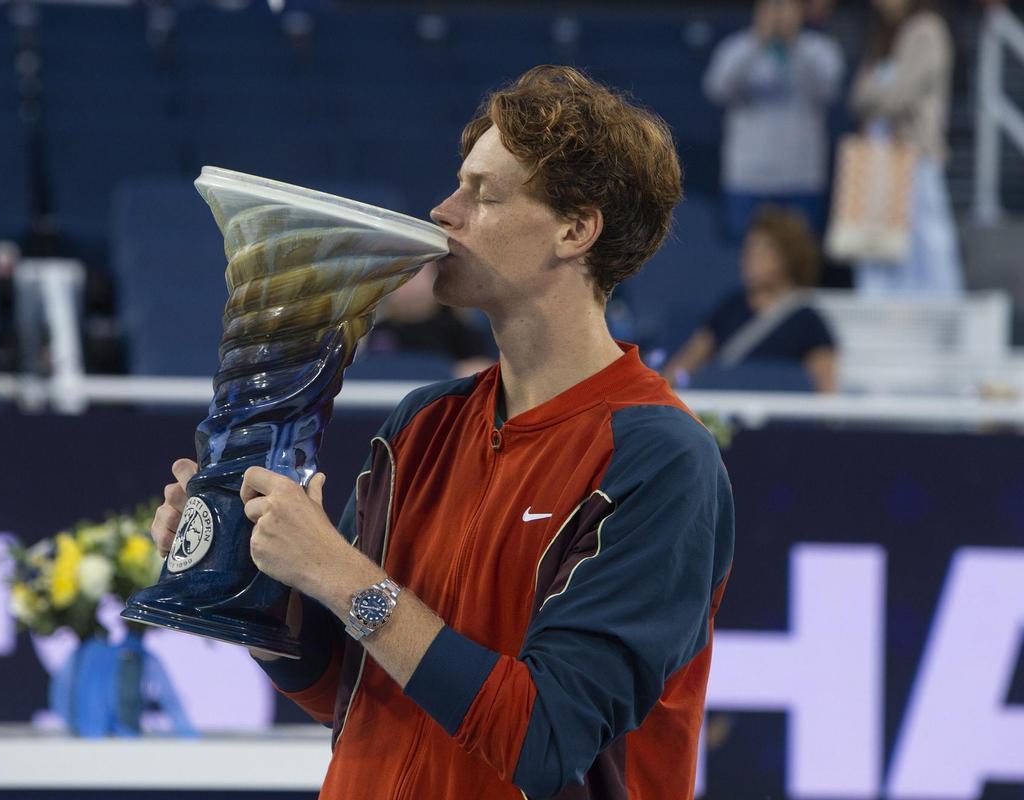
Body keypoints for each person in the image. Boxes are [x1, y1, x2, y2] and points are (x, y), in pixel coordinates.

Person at [152, 66, 734, 800]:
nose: (443, 211)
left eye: (483, 194)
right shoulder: (422, 423)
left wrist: (338, 571)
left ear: (575, 229)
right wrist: (254, 574)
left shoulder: (661, 457)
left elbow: (546, 738)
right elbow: (351, 686)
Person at [704, 0, 845, 240]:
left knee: (800, 257)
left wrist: (793, 44)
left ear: (800, 12)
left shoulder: (820, 50)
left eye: (786, 7)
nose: (778, 15)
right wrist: (758, 41)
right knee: (747, 260)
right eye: (770, 7)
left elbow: (827, 90)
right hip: (748, 178)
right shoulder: (737, 47)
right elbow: (717, 89)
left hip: (801, 179)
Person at [849, 0, 963, 296]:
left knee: (927, 238)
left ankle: (942, 306)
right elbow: (856, 97)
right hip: (878, 155)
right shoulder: (882, 37)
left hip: (916, 154)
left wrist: (874, 94)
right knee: (875, 239)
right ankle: (878, 304)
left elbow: (898, 95)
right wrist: (876, 95)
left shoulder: (927, 30)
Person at [663, 206, 838, 392]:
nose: (750, 258)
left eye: (763, 251)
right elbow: (687, 362)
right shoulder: (731, 307)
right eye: (749, 249)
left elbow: (827, 393)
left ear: (789, 257)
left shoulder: (808, 321)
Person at [362, 262, 495, 378]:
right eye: (399, 276)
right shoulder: (380, 330)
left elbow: (485, 369)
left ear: (437, 279)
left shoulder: (458, 328)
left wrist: (456, 372)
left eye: (415, 275)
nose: (407, 285)